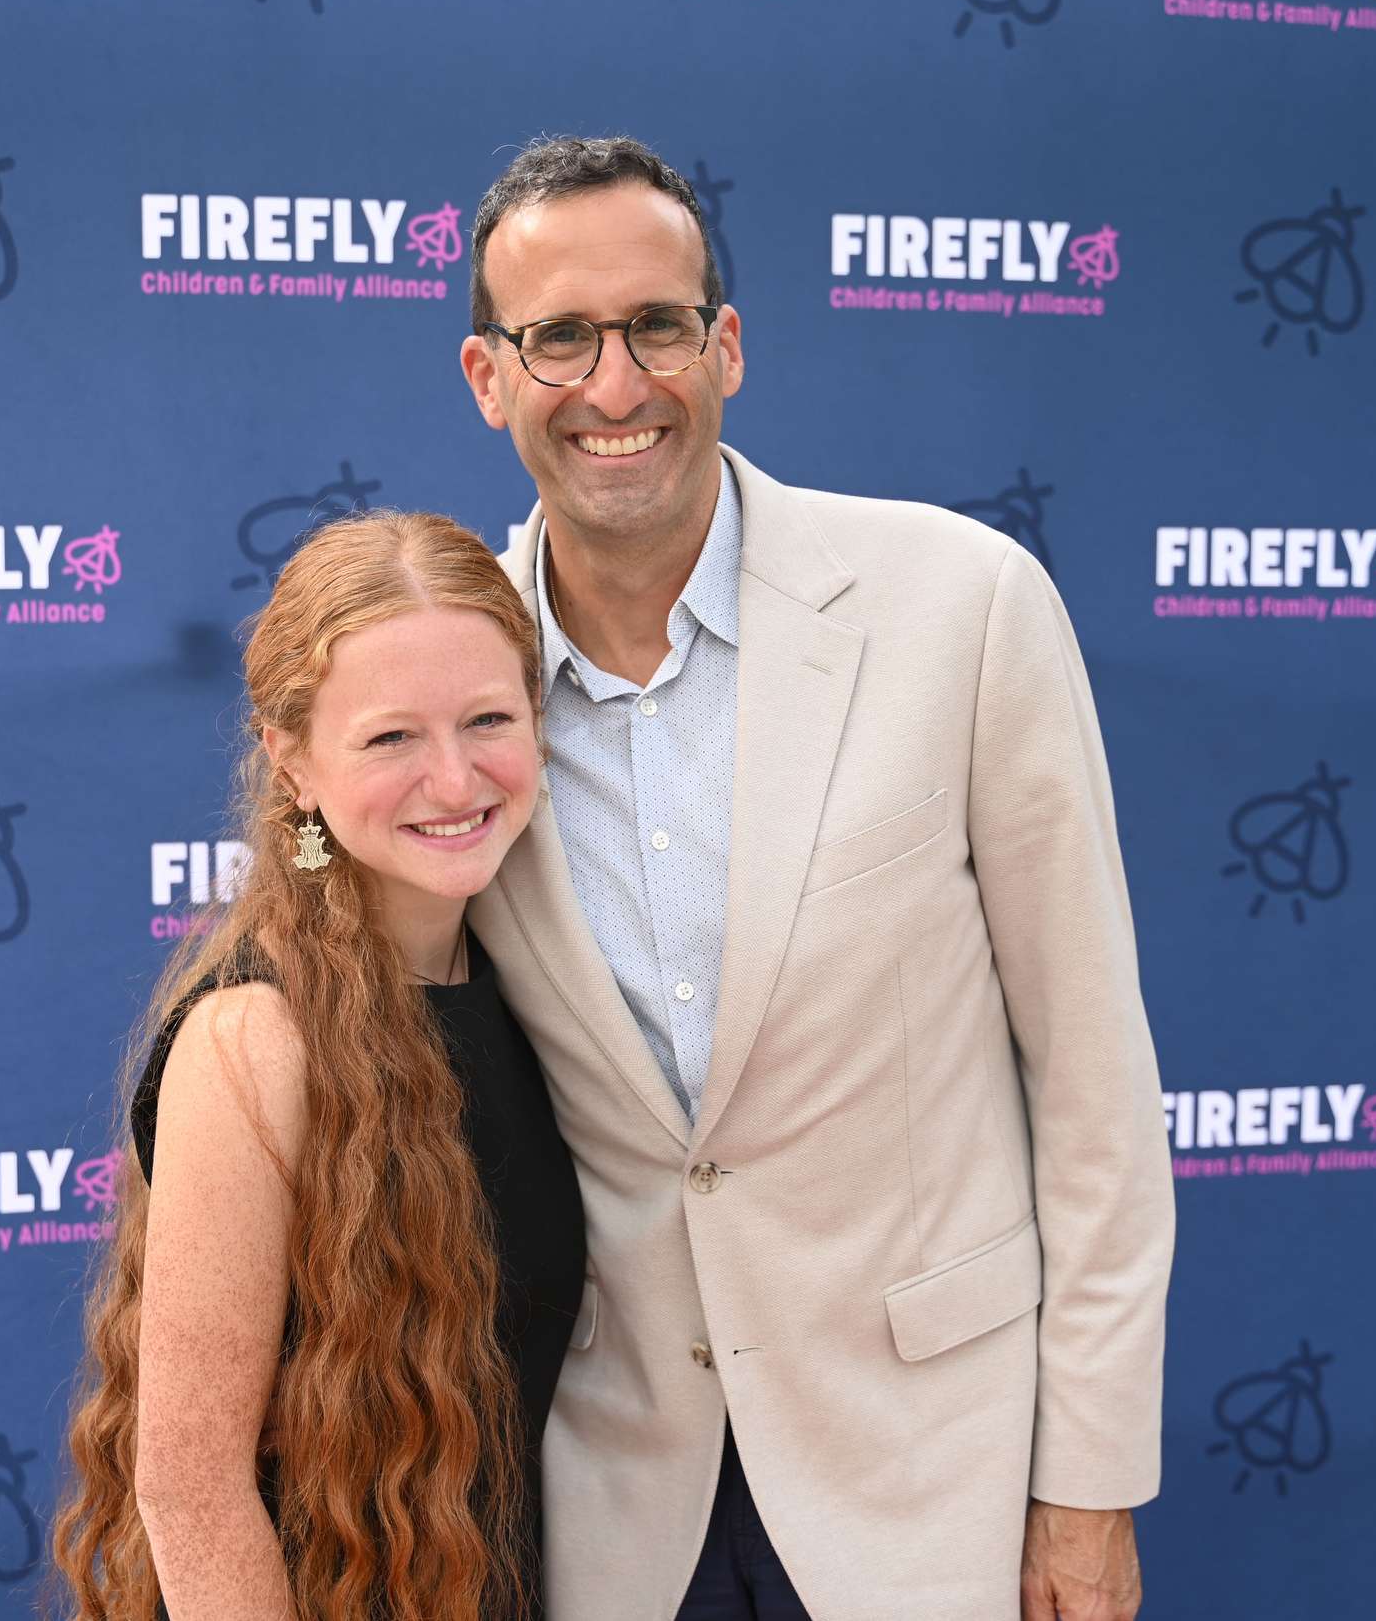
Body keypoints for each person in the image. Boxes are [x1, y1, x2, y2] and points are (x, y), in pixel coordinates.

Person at [455, 136, 1175, 1621]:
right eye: (560, 337)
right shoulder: (451, 678)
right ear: (488, 376)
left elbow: (1094, 1086)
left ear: (725, 345)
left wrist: (1089, 1481)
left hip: (933, 1478)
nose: (614, 386)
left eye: (657, 326)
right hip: (609, 1506)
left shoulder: (962, 604)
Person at [53, 513, 588, 1621]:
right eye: (390, 738)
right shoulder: (254, 1040)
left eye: (488, 719)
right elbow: (191, 1489)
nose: (454, 778)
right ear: (293, 760)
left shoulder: (542, 994)